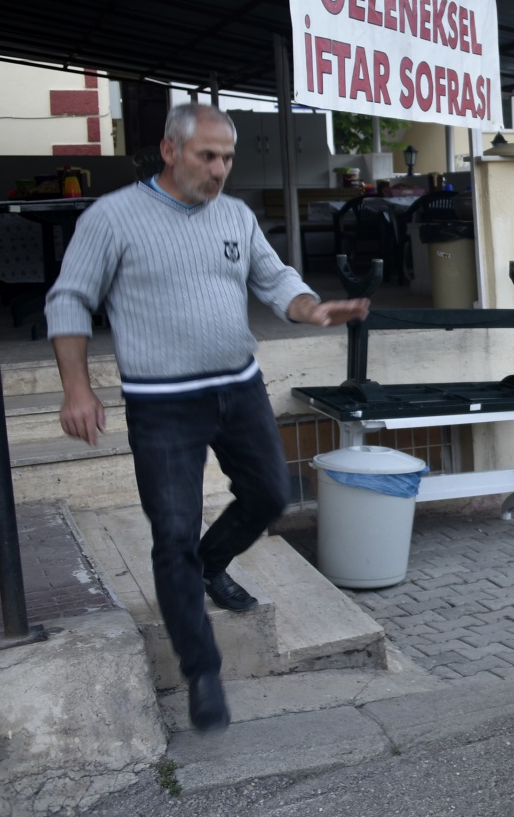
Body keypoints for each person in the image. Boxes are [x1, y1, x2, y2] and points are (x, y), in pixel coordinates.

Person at [45, 103, 369, 734]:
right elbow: (70, 299)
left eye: (227, 158)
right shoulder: (111, 217)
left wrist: (309, 308)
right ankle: (202, 671)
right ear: (170, 150)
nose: (220, 170)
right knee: (170, 533)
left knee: (271, 495)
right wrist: (76, 388)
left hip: (238, 389)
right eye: (207, 156)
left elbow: (273, 278)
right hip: (162, 403)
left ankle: (211, 562)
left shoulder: (235, 215)